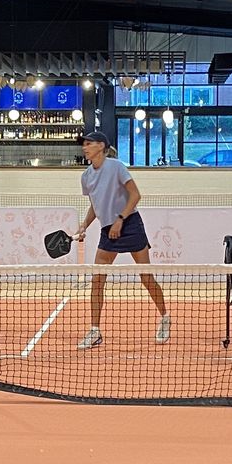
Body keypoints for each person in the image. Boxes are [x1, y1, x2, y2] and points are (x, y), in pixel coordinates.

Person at [72, 130, 168, 349]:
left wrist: (120, 220)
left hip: (130, 224)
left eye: (89, 143)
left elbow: (136, 195)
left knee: (146, 277)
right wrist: (84, 225)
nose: (84, 147)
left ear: (101, 147)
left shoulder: (116, 166)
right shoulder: (86, 176)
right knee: (97, 280)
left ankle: (164, 317)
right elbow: (96, 206)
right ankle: (95, 330)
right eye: (84, 144)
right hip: (108, 231)